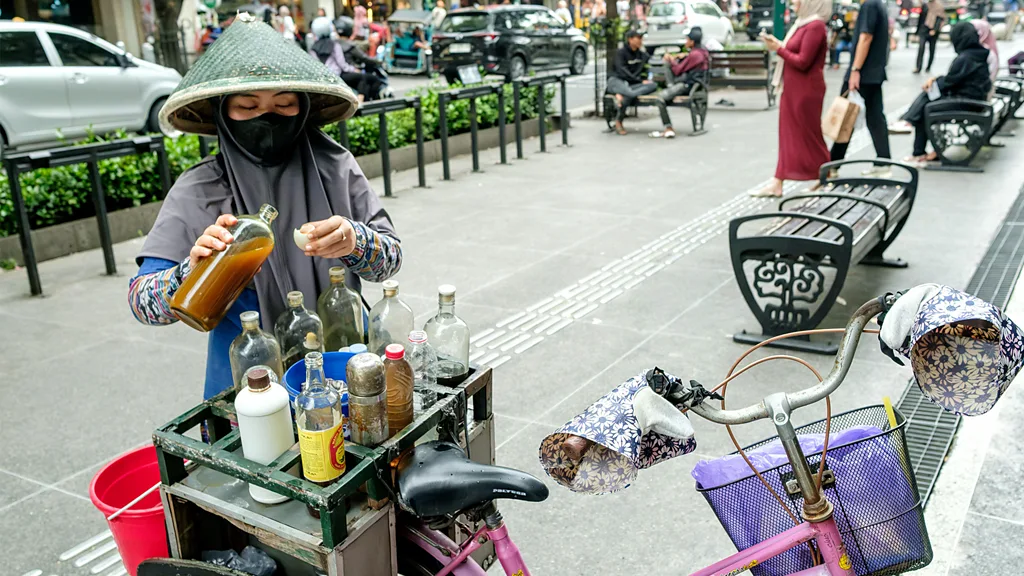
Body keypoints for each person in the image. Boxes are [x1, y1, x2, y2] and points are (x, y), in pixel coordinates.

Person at [129, 13, 401, 401]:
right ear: (223, 112)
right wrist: (192, 270)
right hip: (249, 385)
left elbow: (390, 259)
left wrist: (355, 241)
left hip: (345, 370)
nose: (267, 116)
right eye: (247, 105)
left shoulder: (334, 167)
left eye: (284, 103)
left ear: (303, 107)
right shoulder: (201, 187)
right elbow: (141, 302)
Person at [751, 0, 831, 197]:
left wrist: (778, 48)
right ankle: (778, 181)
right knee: (787, 134)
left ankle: (824, 173)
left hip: (806, 92)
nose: (793, 2)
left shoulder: (815, 26)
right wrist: (778, 45)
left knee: (809, 135)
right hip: (794, 88)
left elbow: (803, 61)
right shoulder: (803, 24)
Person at [895, 22, 991, 164]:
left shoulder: (966, 57)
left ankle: (914, 137)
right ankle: (909, 122)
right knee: (929, 95)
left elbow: (949, 82)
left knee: (927, 106)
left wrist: (935, 83)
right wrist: (935, 81)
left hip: (967, 102)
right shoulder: (976, 54)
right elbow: (953, 80)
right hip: (972, 100)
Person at [830, 0, 891, 172]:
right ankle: (883, 161)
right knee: (875, 117)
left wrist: (855, 69)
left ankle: (833, 163)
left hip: (863, 72)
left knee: (846, 116)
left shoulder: (869, 5)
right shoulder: (878, 4)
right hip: (873, 71)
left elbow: (866, 37)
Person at [649, 27, 710, 139]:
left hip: (688, 85)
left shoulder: (694, 54)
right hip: (696, 84)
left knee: (660, 99)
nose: (686, 42)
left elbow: (677, 70)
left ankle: (668, 126)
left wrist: (671, 60)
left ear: (692, 41)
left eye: (687, 39)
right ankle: (670, 88)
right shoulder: (702, 52)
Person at [309, 16, 385, 101]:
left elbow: (317, 65)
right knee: (363, 77)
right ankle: (361, 101)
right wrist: (354, 69)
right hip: (338, 76)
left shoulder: (313, 48)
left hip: (325, 78)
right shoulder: (334, 44)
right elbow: (342, 65)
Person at [606, 30, 656, 135]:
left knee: (652, 85)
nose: (640, 41)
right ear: (630, 39)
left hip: (633, 85)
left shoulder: (642, 55)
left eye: (641, 38)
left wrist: (643, 80)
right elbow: (622, 72)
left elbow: (646, 71)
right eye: (638, 38)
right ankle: (619, 121)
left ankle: (620, 96)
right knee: (629, 93)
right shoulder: (621, 53)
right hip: (618, 81)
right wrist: (639, 81)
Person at [913, 0, 943, 73]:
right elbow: (921, 18)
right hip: (924, 29)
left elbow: (940, 18)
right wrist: (917, 31)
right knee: (921, 48)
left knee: (931, 50)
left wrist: (935, 30)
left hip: (933, 31)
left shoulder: (939, 6)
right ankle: (918, 67)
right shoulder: (925, 5)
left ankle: (928, 67)